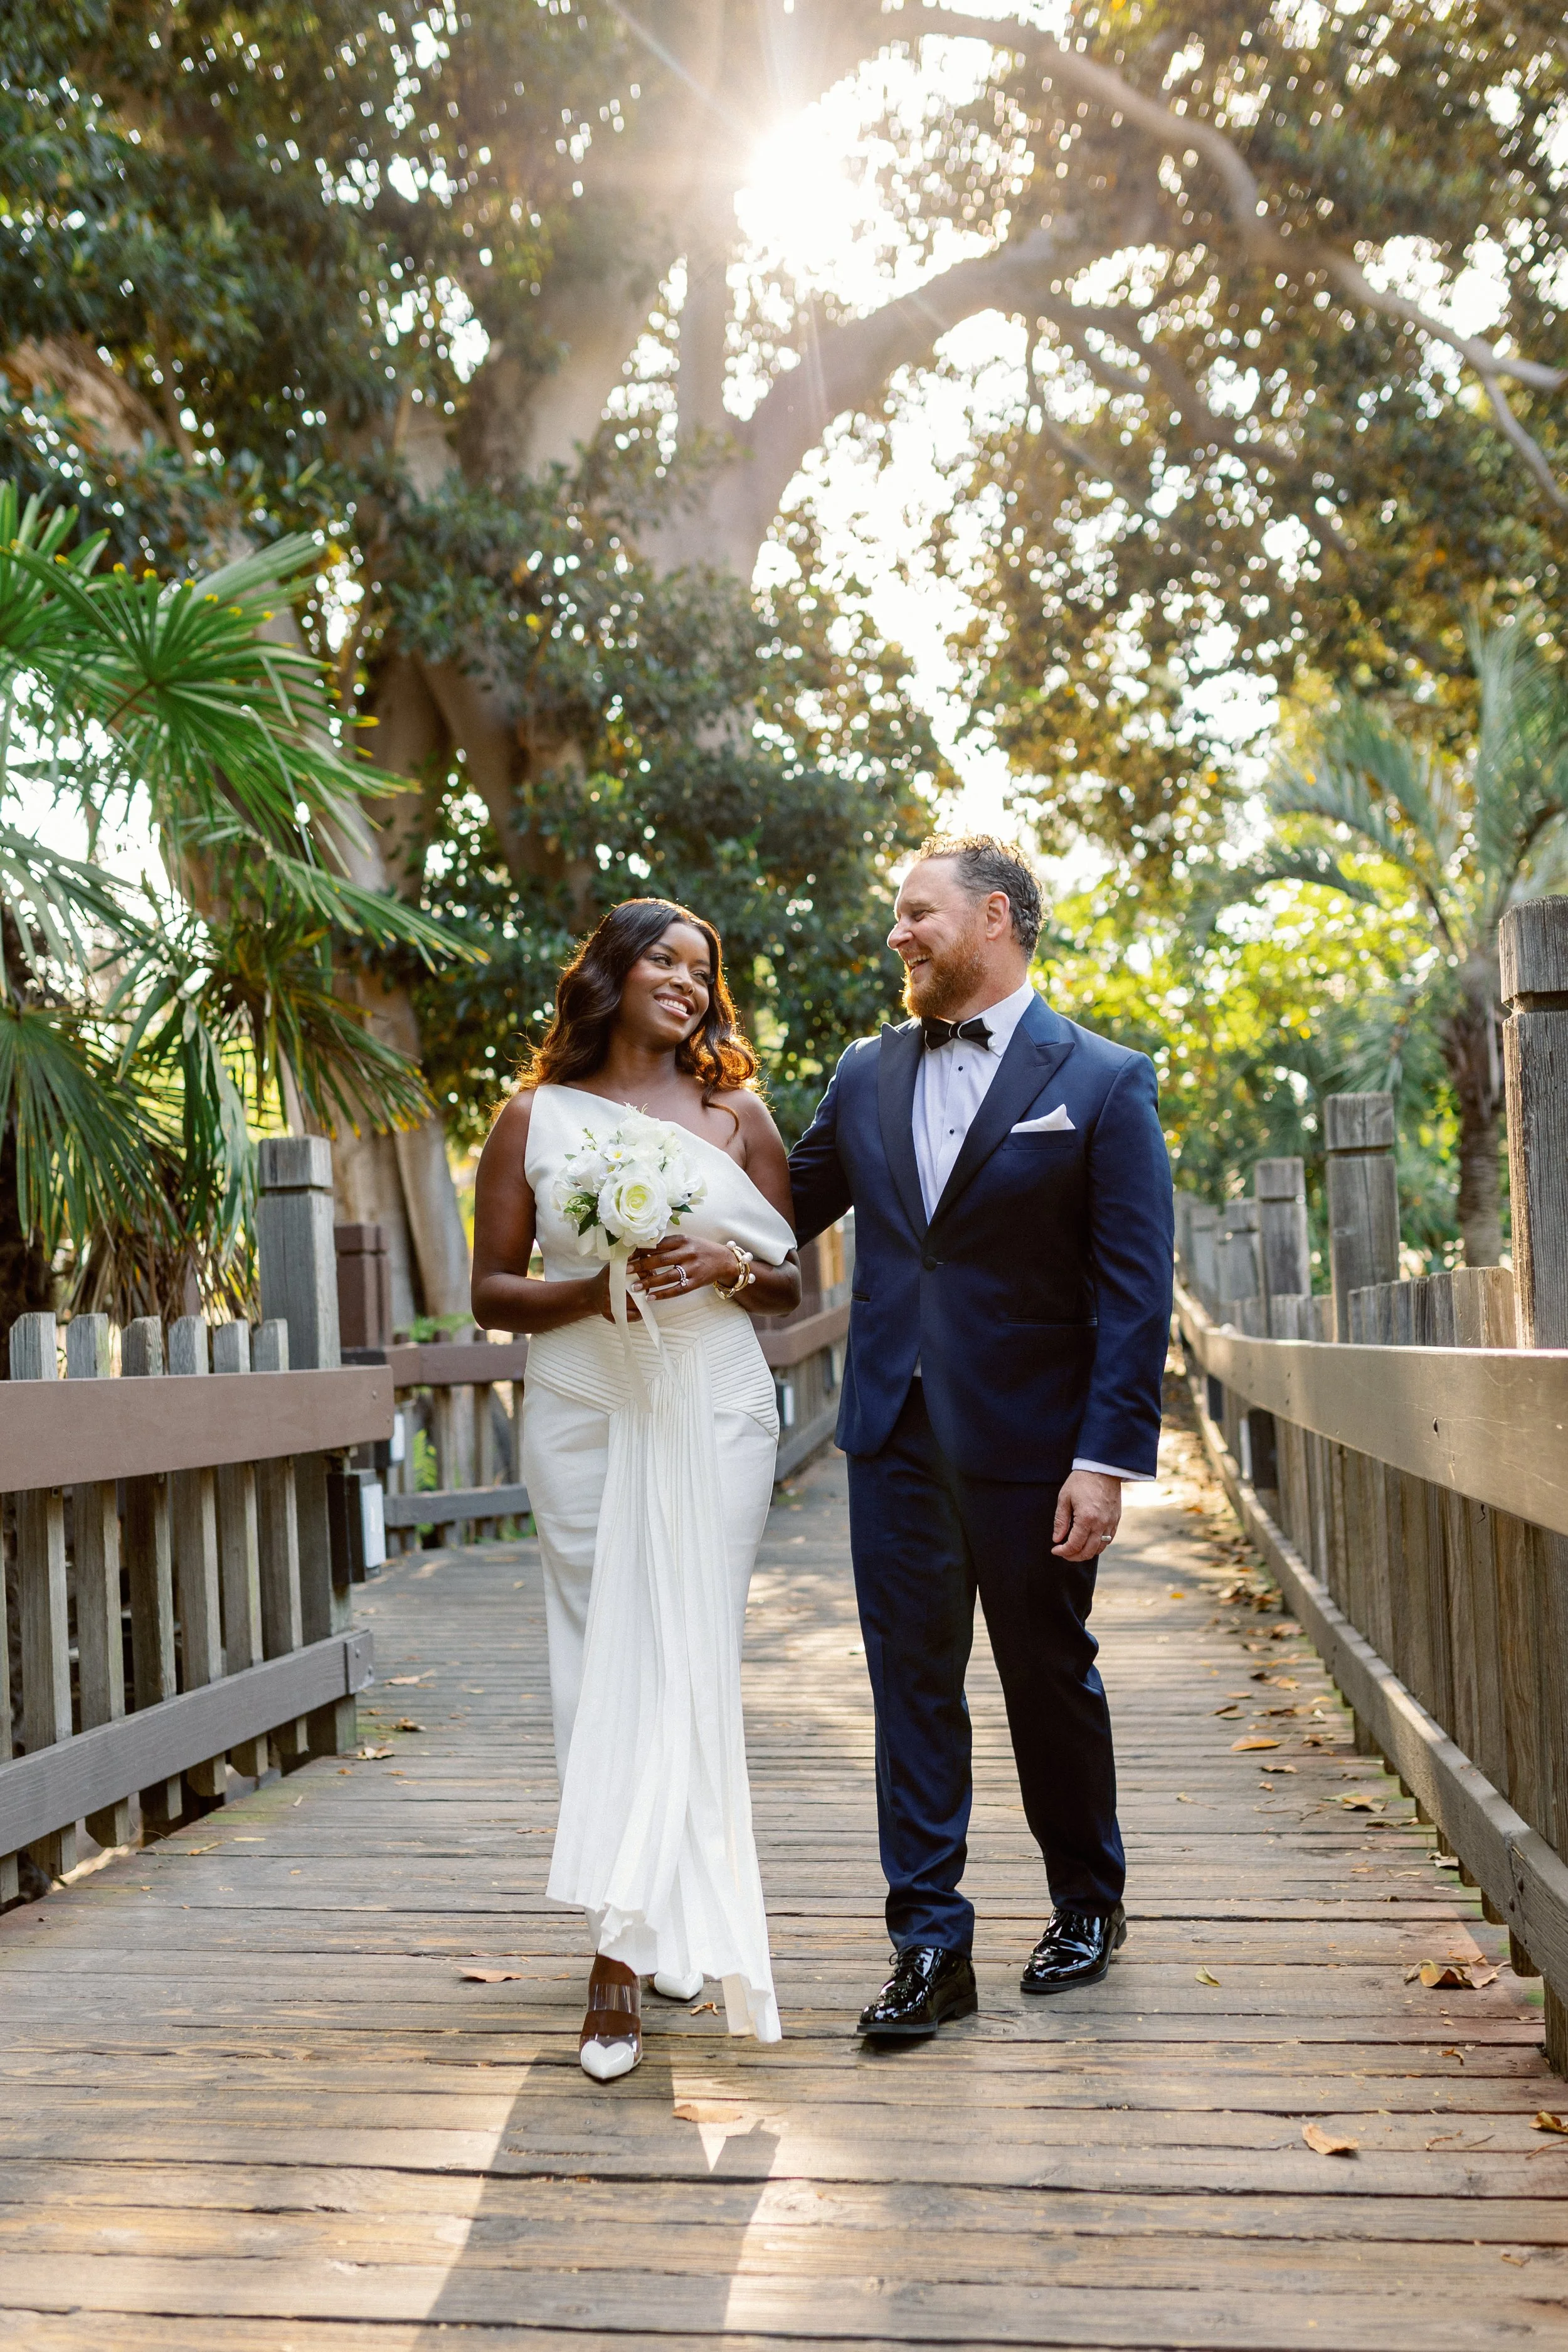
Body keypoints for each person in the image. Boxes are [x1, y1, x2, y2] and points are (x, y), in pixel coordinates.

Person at [787, 834, 1173, 2041]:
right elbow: (776, 1208)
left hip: (1035, 1444)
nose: (897, 934)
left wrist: (1104, 1460)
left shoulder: (1103, 1080)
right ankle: (929, 1947)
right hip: (892, 1435)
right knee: (910, 1687)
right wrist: (644, 1148)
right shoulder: (862, 1073)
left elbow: (1136, 1292)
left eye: (917, 913)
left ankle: (1087, 1904)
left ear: (994, 916)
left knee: (1047, 1676)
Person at [471, 898, 801, 2082]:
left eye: (704, 968)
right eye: (664, 957)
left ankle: (641, 1939)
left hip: (711, 1403)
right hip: (583, 1404)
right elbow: (492, 1293)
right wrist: (590, 1294)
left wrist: (734, 1263)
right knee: (596, 1654)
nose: (689, 981)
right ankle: (626, 1937)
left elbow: (792, 1287)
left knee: (687, 1649)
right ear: (612, 971)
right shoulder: (531, 1119)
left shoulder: (737, 1114)